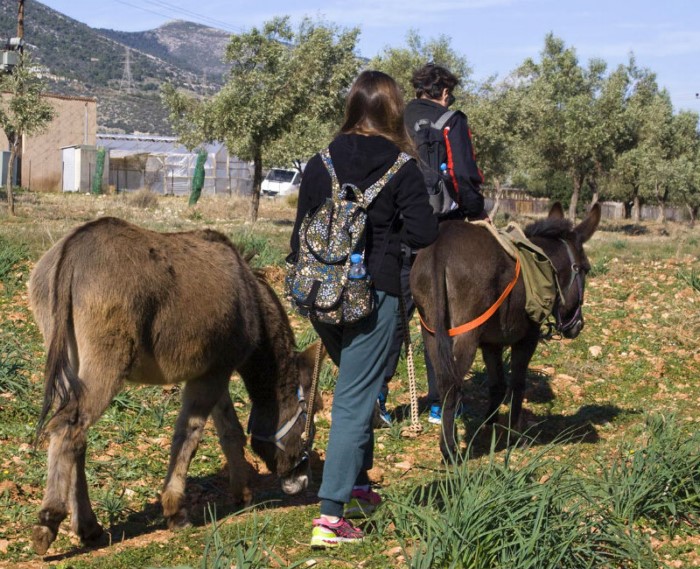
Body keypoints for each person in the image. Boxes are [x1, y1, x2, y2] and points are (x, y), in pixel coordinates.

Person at [289, 70, 438, 548]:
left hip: (320, 296)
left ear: (353, 105)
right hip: (374, 297)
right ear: (394, 110)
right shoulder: (402, 166)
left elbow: (298, 238)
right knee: (355, 399)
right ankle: (331, 517)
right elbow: (424, 235)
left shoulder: (319, 163)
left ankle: (356, 485)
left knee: (360, 383)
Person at [376, 63, 486, 427]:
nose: (450, 97)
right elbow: (464, 174)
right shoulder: (451, 120)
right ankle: (441, 403)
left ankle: (376, 397)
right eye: (449, 91)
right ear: (442, 91)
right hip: (441, 230)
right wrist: (476, 213)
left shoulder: (396, 119)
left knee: (396, 311)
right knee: (440, 315)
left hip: (397, 226)